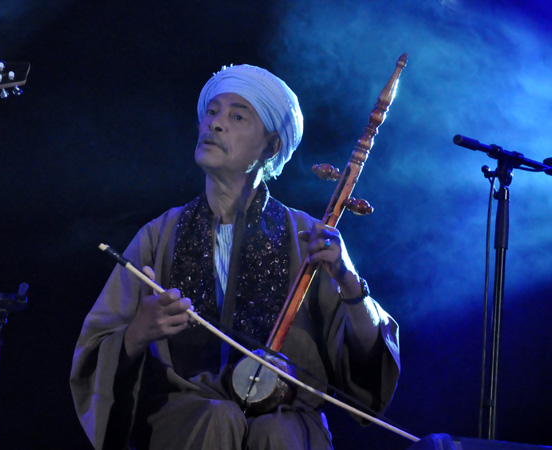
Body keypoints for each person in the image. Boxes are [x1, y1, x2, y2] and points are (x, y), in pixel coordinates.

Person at [70, 64, 400, 450]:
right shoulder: (159, 235)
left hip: (284, 423)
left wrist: (349, 281)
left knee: (278, 432)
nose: (215, 123)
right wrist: (138, 331)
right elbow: (94, 353)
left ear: (271, 147)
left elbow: (366, 367)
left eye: (237, 116)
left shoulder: (309, 237)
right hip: (184, 424)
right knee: (218, 416)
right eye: (212, 112)